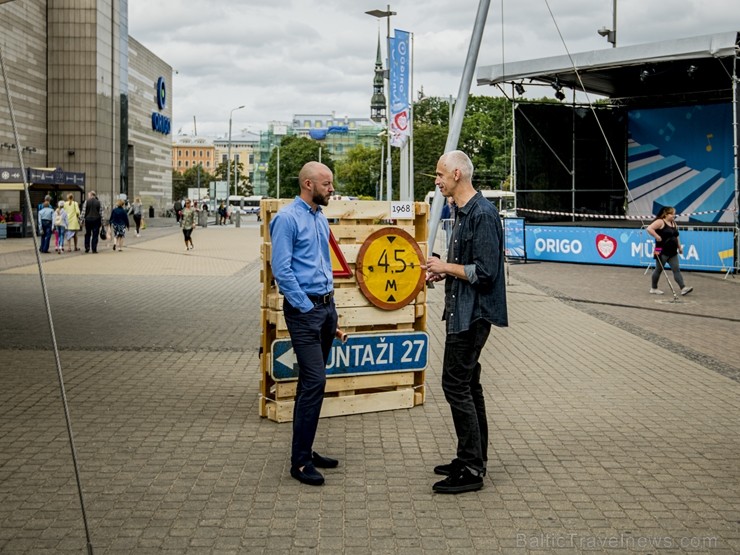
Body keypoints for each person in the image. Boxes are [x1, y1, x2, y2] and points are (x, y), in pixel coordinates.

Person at [423, 150, 508, 494]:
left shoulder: (482, 214)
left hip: (474, 315)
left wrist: (446, 268)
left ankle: (472, 468)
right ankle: (471, 458)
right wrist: (446, 272)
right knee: (469, 385)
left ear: (457, 173)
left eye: (440, 174)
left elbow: (486, 273)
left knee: (454, 384)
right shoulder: (460, 211)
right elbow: (468, 268)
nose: (437, 179)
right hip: (462, 310)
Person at [269, 161, 339, 486]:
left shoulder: (320, 217)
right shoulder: (286, 219)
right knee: (315, 382)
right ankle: (299, 464)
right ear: (309, 184)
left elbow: (323, 264)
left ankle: (306, 451)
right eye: (327, 184)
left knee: (308, 386)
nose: (332, 189)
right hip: (305, 312)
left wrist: (329, 312)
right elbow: (281, 271)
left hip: (326, 309)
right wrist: (308, 307)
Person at [647, 206, 693, 296]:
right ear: (666, 214)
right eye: (672, 214)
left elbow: (676, 236)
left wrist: (679, 247)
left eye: (674, 214)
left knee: (676, 269)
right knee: (658, 269)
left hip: (672, 251)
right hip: (660, 249)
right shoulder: (660, 221)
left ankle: (683, 288)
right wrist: (656, 236)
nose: (673, 216)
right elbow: (649, 229)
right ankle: (654, 288)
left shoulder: (673, 223)